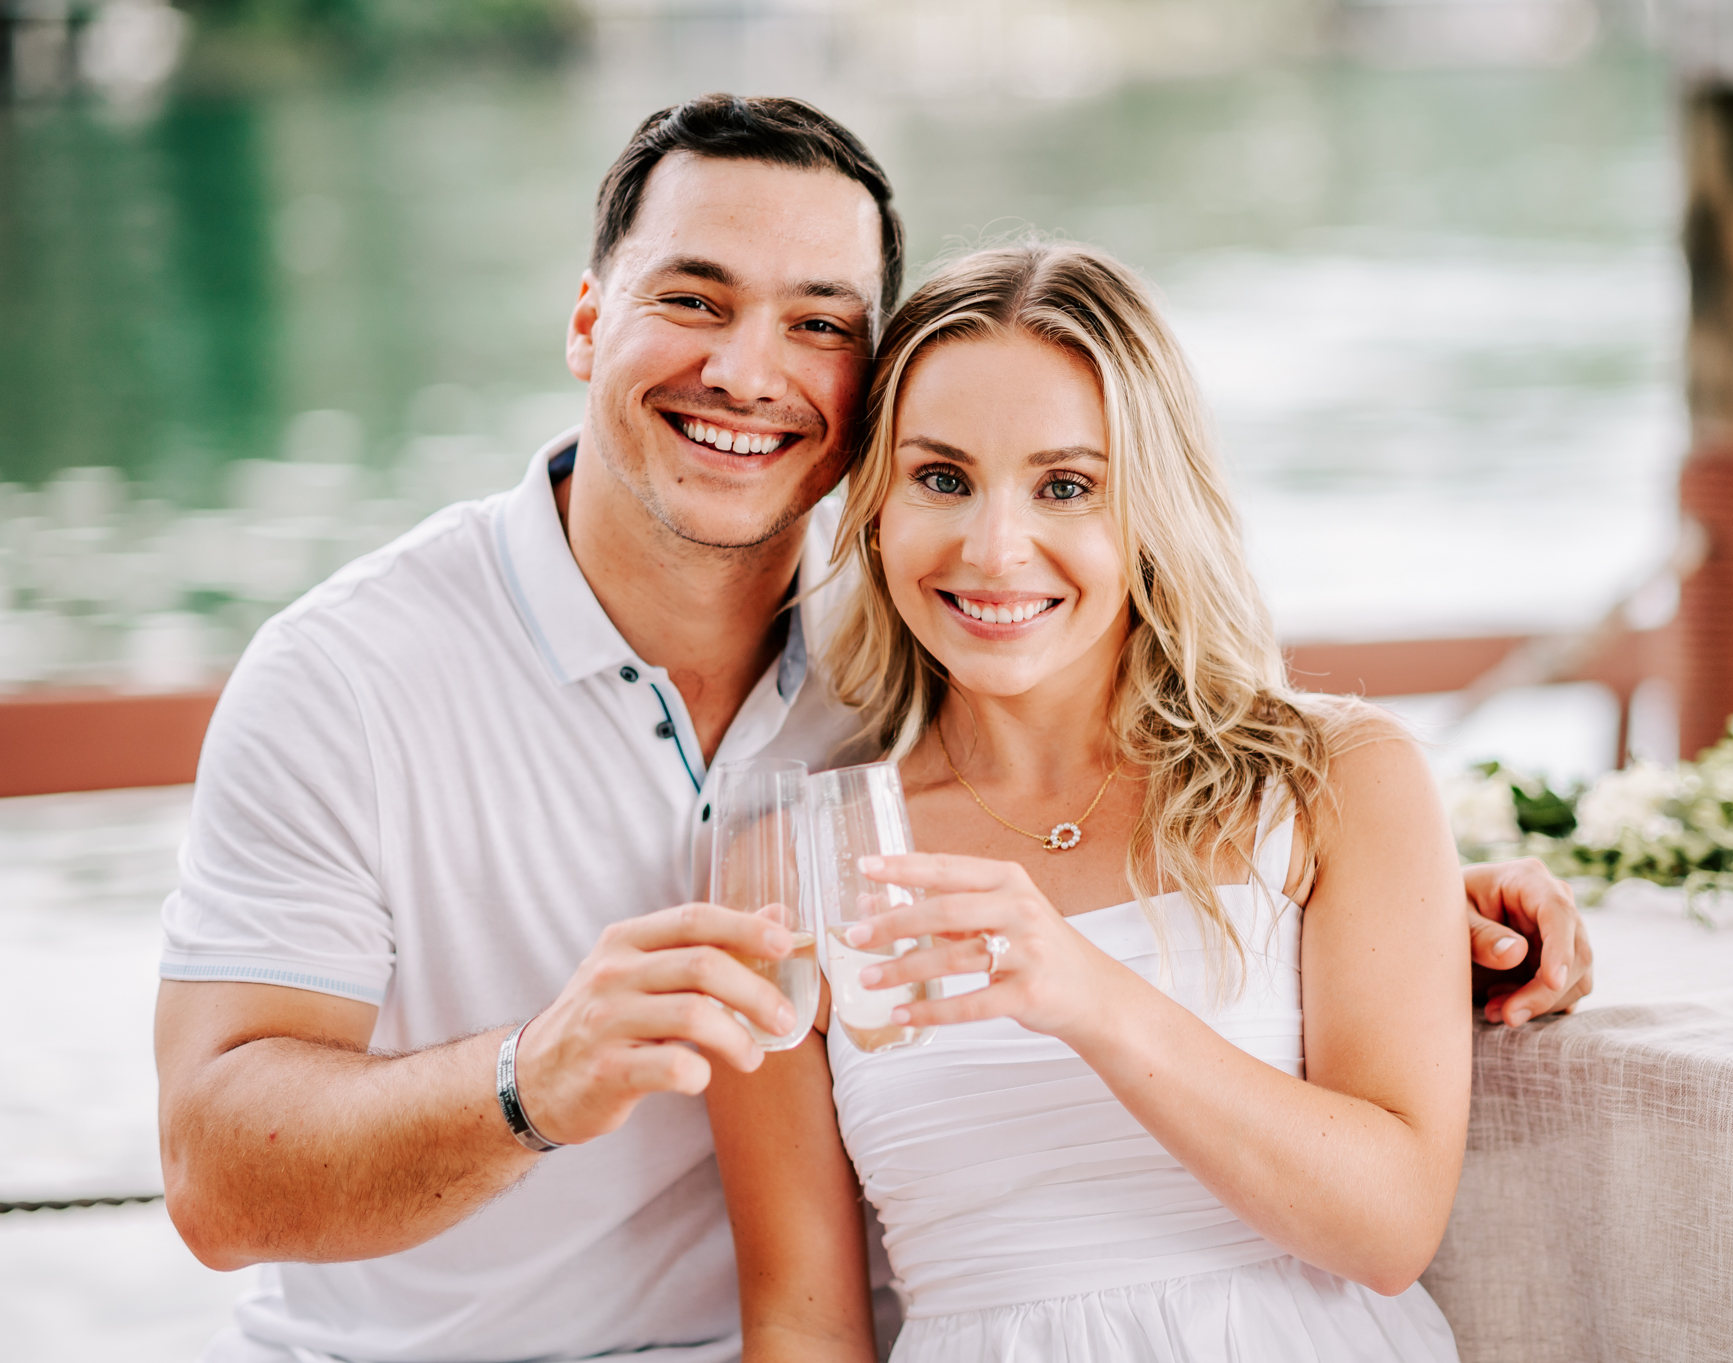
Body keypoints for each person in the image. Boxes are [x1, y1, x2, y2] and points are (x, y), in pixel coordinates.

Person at [153, 96, 1589, 1363]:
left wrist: (1418, 914)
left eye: (820, 323)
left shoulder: (914, 645)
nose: (749, 370)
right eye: (695, 299)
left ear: (854, 409)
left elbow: (1189, 843)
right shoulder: (349, 678)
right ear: (589, 317)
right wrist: (538, 1073)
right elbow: (216, 1179)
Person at [708, 240, 1474, 1362]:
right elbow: (801, 1318)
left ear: (1150, 508)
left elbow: (1389, 1226)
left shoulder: (1337, 779)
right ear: (873, 509)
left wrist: (1085, 994)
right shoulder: (792, 861)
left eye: (1065, 486)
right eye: (940, 477)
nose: (993, 547)